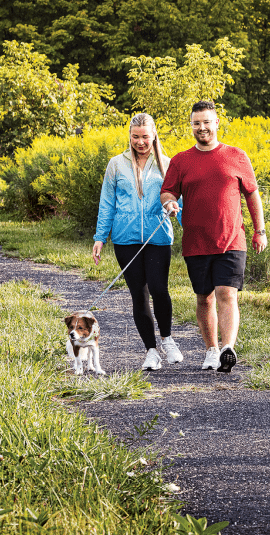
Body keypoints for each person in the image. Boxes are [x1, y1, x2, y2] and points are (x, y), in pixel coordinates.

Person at [160, 100, 267, 373]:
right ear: (191, 126)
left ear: (217, 123)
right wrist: (170, 202)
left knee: (226, 293)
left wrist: (259, 230)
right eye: (197, 123)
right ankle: (211, 349)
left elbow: (252, 194)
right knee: (204, 298)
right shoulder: (181, 160)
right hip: (196, 241)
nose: (202, 127)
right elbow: (168, 191)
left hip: (232, 238)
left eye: (207, 122)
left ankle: (228, 348)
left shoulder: (237, 156)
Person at [92, 112, 183, 370]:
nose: (140, 142)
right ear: (129, 136)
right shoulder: (116, 165)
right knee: (138, 295)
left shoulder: (168, 164)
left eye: (145, 137)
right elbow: (107, 203)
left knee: (159, 289)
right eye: (135, 137)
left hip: (158, 237)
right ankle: (151, 351)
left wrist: (179, 216)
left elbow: (180, 201)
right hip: (125, 239)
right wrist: (100, 238)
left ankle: (167, 339)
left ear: (154, 135)